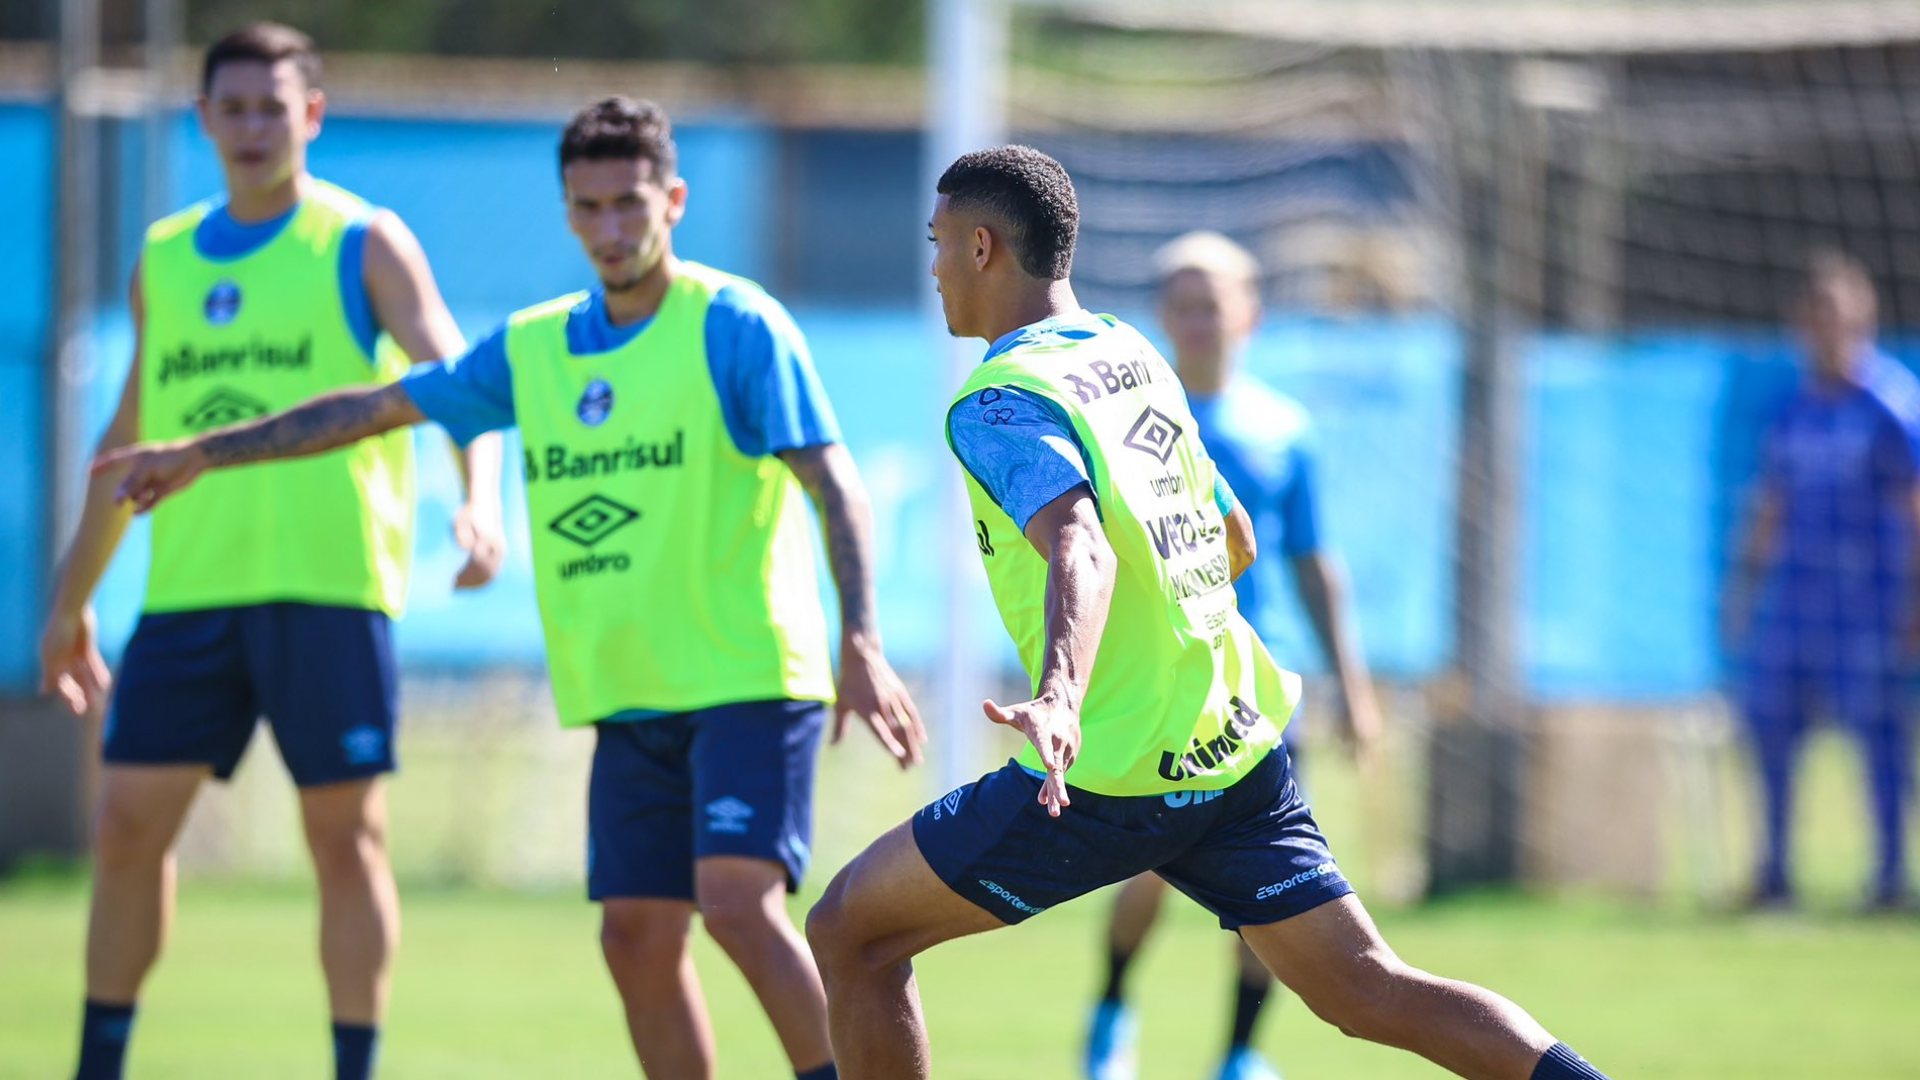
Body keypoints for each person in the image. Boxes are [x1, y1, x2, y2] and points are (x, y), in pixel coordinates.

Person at [98, 95, 923, 1080]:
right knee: (632, 941)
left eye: (631, 204)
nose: (613, 230)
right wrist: (203, 453)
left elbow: (836, 481)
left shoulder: (734, 324)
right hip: (625, 691)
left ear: (675, 200)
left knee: (739, 905)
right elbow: (382, 405)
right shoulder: (534, 346)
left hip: (746, 675)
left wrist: (860, 637)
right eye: (591, 209)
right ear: (567, 212)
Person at [803, 145, 1612, 1080]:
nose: (934, 265)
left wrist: (1063, 694)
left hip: (1107, 770)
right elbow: (1233, 532)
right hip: (1233, 746)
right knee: (1371, 990)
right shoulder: (1128, 351)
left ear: (983, 247)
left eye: (939, 242)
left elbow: (1083, 545)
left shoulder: (997, 401)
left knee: (852, 934)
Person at [37, 23, 506, 1080]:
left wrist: (481, 504)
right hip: (192, 593)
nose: (253, 126)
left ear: (313, 115)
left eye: (273, 106)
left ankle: (355, 1066)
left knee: (345, 843)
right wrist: (72, 603)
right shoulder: (164, 254)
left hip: (329, 589)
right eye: (232, 107)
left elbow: (462, 381)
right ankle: (98, 1063)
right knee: (122, 831)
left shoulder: (361, 240)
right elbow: (127, 441)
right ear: (203, 120)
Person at [1084, 231, 1385, 1080]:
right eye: (1181, 302)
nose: (1198, 318)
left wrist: (1355, 691)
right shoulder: (1132, 421)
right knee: (1146, 871)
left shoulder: (1285, 429)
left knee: (1274, 893)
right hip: (1162, 692)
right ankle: (1110, 1007)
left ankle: (1240, 1056)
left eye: (1212, 301)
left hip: (1261, 695)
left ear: (1248, 312)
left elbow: (1315, 562)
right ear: (1162, 317)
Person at [1723, 250, 1919, 911]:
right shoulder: (1793, 410)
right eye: (1817, 314)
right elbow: (1770, 505)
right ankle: (1774, 876)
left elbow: (1915, 509)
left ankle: (1890, 880)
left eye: (1840, 312)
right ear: (1800, 323)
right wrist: (1745, 588)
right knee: (1769, 729)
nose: (1827, 327)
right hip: (1797, 605)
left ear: (1864, 316)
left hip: (1868, 604)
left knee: (1879, 739)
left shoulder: (1890, 406)